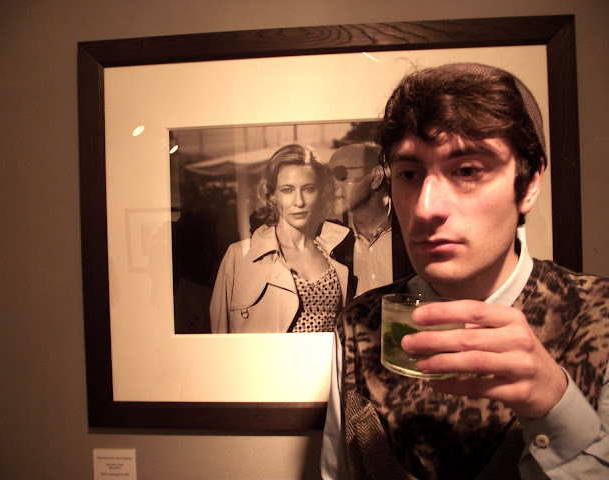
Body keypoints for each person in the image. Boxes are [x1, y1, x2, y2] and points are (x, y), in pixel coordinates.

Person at [321, 63, 609, 479]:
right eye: (408, 174)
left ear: (529, 184)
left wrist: (556, 405)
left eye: (468, 171)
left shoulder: (597, 317)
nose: (425, 208)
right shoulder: (360, 324)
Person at [210, 143, 350, 333]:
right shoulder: (238, 257)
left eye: (308, 189)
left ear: (320, 193)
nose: (299, 202)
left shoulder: (337, 251)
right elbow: (219, 337)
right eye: (287, 190)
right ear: (272, 195)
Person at [328, 143, 413, 297]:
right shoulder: (332, 242)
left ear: (376, 177)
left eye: (340, 174)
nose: (331, 185)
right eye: (328, 177)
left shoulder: (412, 234)